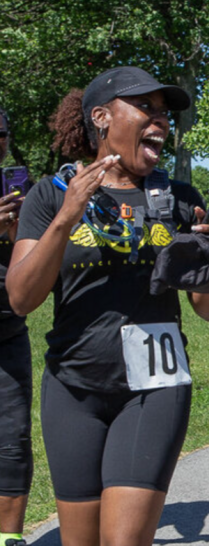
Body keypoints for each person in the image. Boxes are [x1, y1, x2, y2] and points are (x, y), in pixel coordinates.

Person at [7, 71, 209, 546]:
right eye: (146, 107)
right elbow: (22, 297)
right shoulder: (50, 195)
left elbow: (208, 309)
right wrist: (68, 215)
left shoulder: (179, 199)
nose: (160, 119)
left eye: (163, 112)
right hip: (73, 389)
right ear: (102, 117)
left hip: (155, 387)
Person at [0, 109, 31, 546]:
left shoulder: (16, 188)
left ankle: (8, 537)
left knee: (13, 436)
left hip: (8, 328)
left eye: (2, 133)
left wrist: (18, 231)